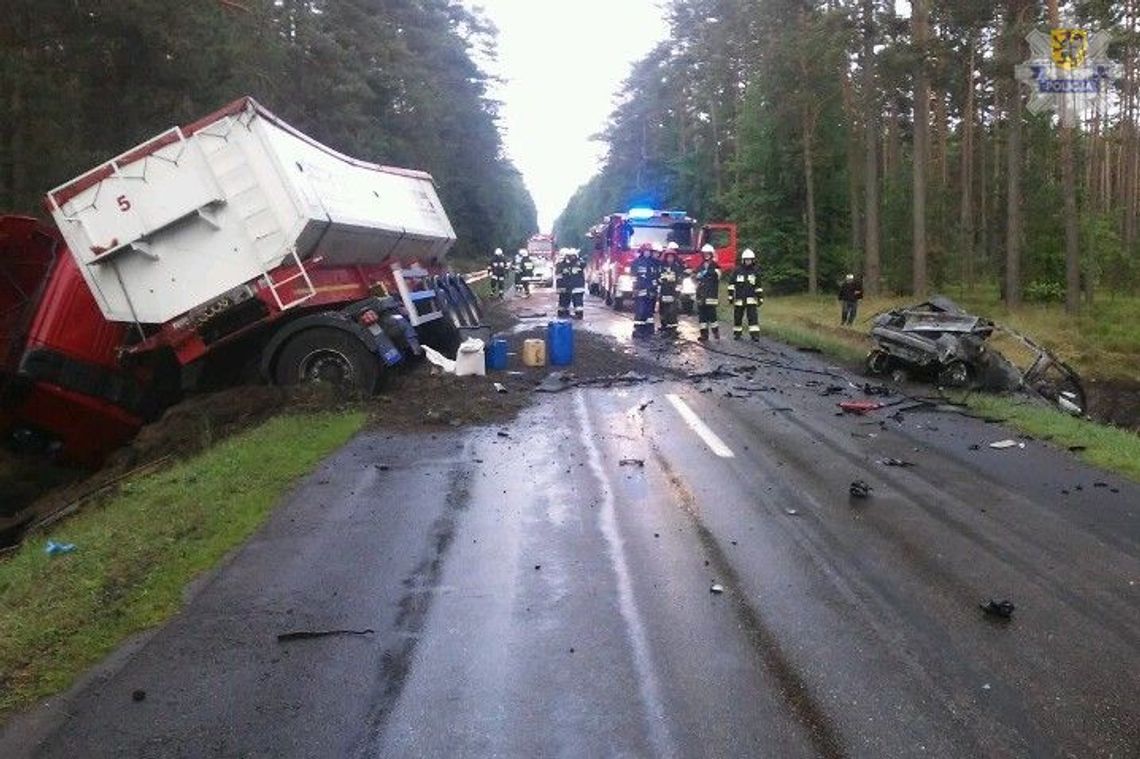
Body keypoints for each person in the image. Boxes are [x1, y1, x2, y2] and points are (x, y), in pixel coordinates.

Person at [728, 248, 762, 341]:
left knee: (753, 318)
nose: (748, 261)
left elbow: (758, 286)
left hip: (751, 299)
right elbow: (731, 284)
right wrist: (730, 296)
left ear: (753, 260)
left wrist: (760, 298)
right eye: (746, 259)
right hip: (739, 299)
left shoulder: (755, 271)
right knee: (738, 317)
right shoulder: (737, 271)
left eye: (750, 259)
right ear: (743, 260)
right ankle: (737, 334)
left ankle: (755, 335)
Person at [694, 243, 721, 340]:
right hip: (701, 294)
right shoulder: (701, 265)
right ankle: (704, 335)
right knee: (702, 316)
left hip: (711, 295)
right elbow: (696, 275)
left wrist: (706, 273)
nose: (706, 255)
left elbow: (717, 275)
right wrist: (696, 275)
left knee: (712, 315)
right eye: (704, 254)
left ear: (711, 254)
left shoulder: (715, 265)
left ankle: (716, 332)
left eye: (708, 254)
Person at [630, 244, 656, 338]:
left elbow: (655, 276)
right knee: (640, 310)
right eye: (646, 251)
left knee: (649, 311)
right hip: (640, 290)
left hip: (650, 291)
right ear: (642, 252)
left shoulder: (653, 263)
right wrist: (635, 288)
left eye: (649, 251)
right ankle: (638, 329)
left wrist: (655, 288)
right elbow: (633, 277)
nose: (647, 253)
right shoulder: (636, 262)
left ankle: (649, 329)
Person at [657, 248, 683, 336]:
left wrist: (677, 293)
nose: (670, 259)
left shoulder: (677, 267)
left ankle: (672, 329)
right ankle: (664, 326)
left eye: (671, 257)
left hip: (673, 293)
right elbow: (659, 278)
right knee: (663, 311)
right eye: (668, 257)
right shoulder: (661, 267)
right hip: (664, 292)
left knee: (672, 311)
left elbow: (679, 280)